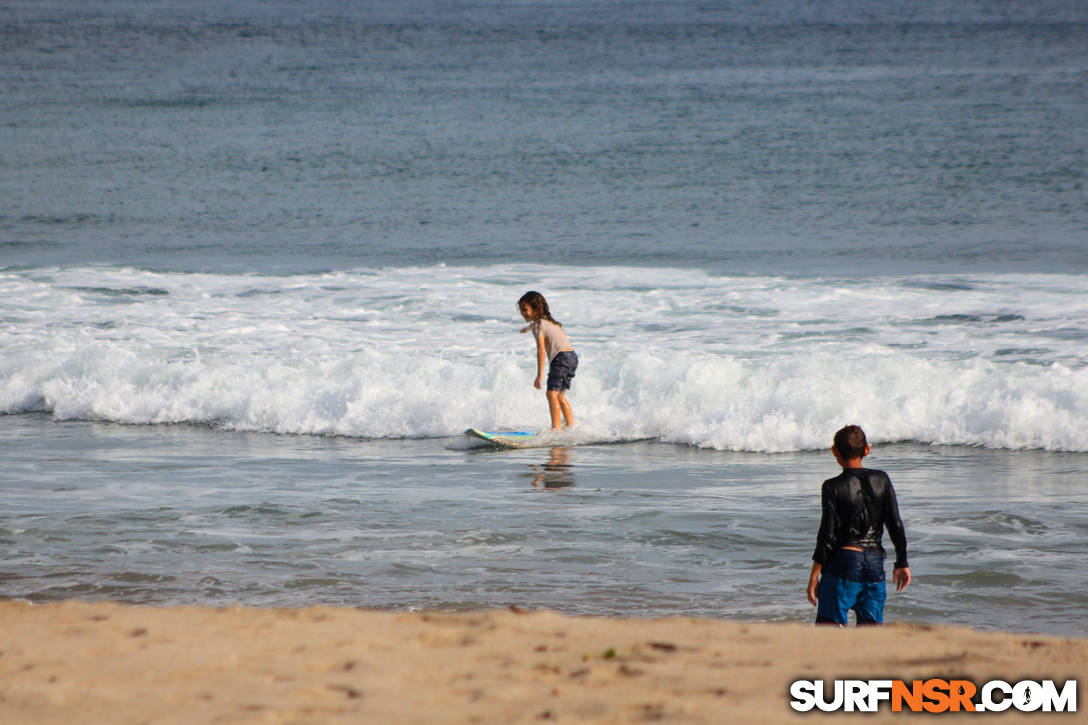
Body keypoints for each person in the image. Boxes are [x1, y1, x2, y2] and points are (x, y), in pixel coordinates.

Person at [806, 425, 910, 625]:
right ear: (867, 450)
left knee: (829, 630)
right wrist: (902, 562)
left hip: (844, 563)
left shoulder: (832, 486)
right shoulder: (882, 479)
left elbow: (827, 534)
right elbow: (895, 524)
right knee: (870, 634)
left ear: (835, 451)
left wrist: (814, 576)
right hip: (874, 563)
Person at [518, 291, 578, 430]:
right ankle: (571, 427)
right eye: (521, 310)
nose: (523, 314)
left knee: (551, 393)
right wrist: (526, 329)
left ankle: (555, 429)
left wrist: (539, 376)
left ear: (536, 309)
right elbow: (534, 326)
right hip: (572, 357)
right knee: (561, 396)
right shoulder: (549, 322)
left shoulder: (539, 326)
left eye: (525, 310)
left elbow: (541, 350)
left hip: (560, 357)